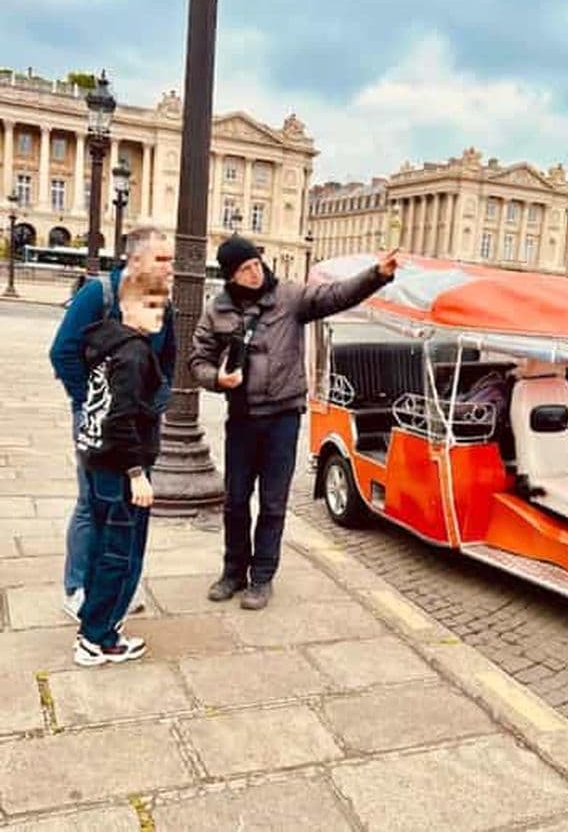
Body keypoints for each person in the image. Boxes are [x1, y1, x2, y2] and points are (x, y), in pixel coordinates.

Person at [190, 236, 398, 609]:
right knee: (236, 501)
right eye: (244, 270)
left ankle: (262, 578)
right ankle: (233, 571)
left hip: (282, 417)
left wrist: (376, 276)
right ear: (231, 276)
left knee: (273, 503)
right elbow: (197, 360)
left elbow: (335, 296)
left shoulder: (288, 297)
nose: (254, 273)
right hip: (242, 417)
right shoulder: (216, 309)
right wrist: (216, 379)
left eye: (255, 264)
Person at [49, 227, 175, 621]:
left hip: (138, 425)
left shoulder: (160, 300)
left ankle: (118, 582)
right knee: (92, 502)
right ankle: (78, 586)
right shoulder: (98, 294)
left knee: (131, 503)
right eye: (162, 259)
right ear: (135, 260)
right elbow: (62, 352)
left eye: (171, 259)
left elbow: (166, 356)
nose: (170, 267)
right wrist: (91, 401)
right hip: (101, 417)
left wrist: (159, 395)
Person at [73, 271, 169, 666]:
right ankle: (99, 639)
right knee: (120, 555)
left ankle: (90, 624)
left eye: (162, 305)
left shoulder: (105, 343)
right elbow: (121, 418)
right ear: (128, 307)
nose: (159, 313)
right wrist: (136, 473)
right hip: (119, 468)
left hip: (96, 461)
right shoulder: (133, 353)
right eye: (150, 305)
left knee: (102, 549)